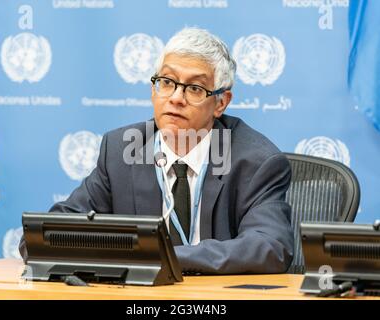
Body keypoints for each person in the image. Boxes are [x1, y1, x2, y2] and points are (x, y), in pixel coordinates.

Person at [20, 27, 293, 274]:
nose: (175, 97)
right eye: (167, 82)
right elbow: (44, 237)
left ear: (221, 103)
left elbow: (270, 246)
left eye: (195, 88)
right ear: (154, 89)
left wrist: (165, 256)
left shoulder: (256, 162)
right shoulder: (121, 150)